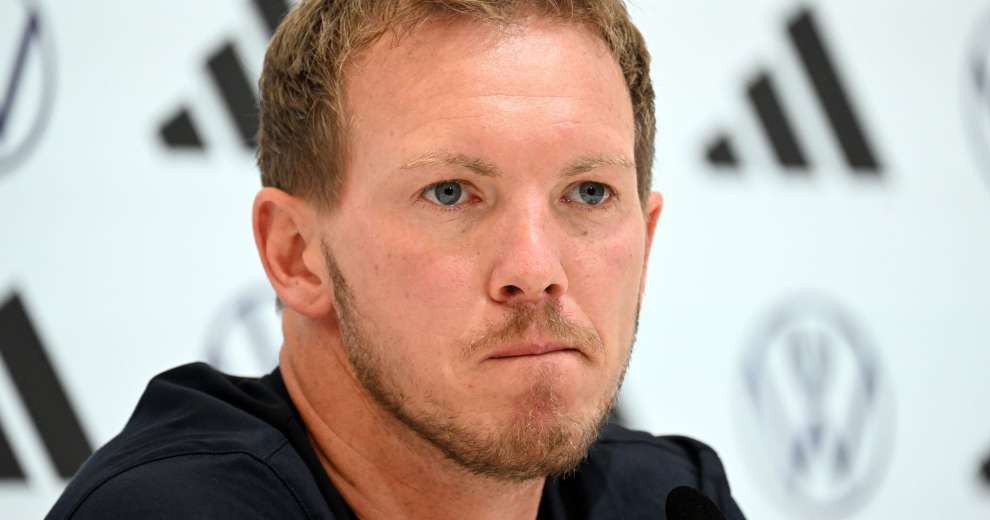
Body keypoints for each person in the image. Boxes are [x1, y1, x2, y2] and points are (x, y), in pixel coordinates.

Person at [48, 1, 745, 518]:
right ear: (296, 256)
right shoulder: (172, 509)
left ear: (646, 238)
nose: (536, 270)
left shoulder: (669, 500)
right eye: (450, 193)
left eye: (589, 192)